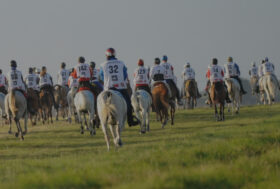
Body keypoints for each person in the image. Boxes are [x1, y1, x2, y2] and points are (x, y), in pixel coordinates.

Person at [99, 48, 139, 126]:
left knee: (101, 104)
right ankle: (130, 120)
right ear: (114, 54)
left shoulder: (103, 65)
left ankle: (100, 119)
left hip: (109, 88)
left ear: (107, 55)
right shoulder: (121, 63)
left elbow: (101, 76)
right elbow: (125, 75)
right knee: (128, 104)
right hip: (120, 87)